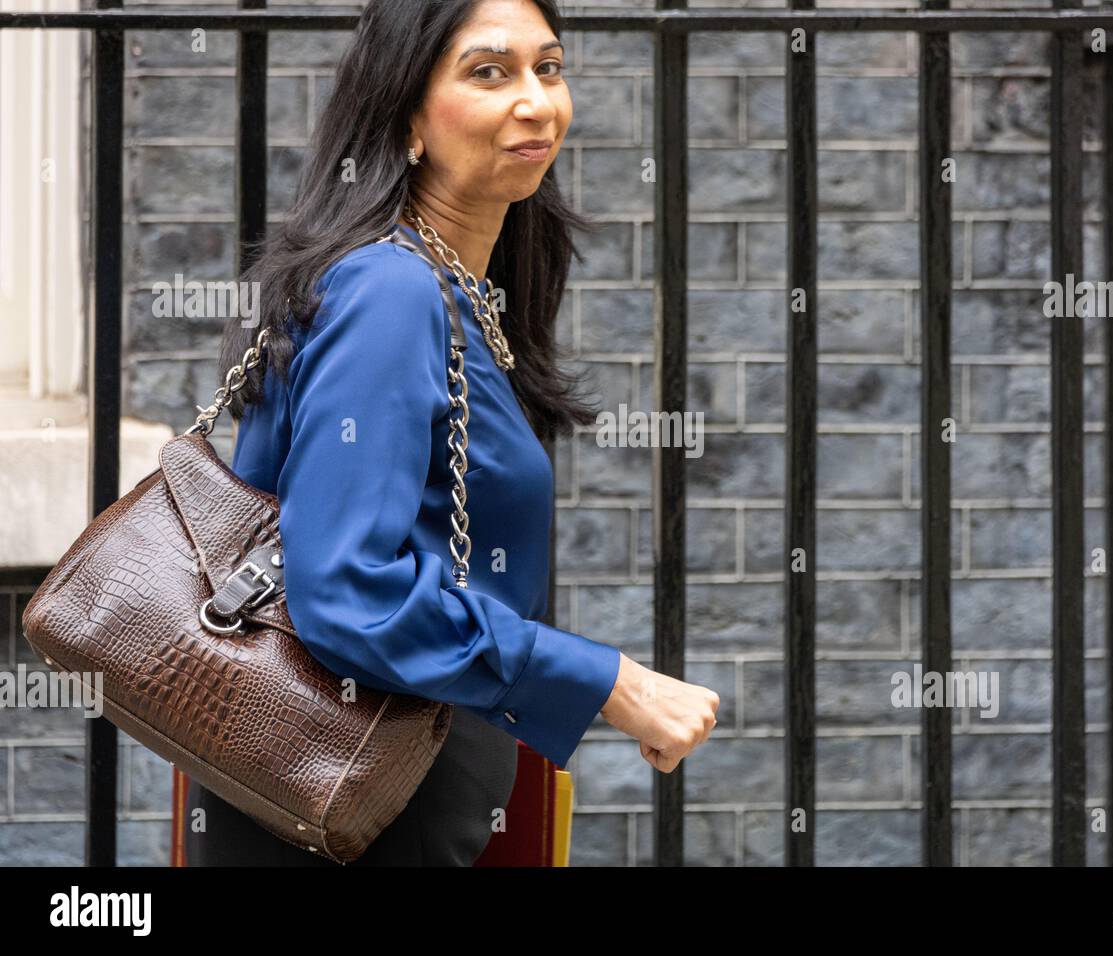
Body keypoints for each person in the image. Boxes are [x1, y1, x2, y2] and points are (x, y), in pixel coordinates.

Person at [186, 0, 718, 866]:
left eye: (549, 68)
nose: (537, 101)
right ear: (406, 118)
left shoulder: (454, 291)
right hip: (354, 816)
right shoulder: (391, 292)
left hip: (388, 799)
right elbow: (344, 590)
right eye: (489, 72)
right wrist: (607, 681)